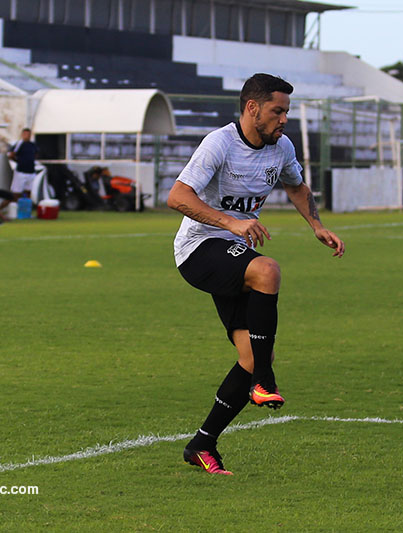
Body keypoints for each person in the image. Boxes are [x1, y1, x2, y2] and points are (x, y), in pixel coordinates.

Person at [167, 73, 345, 475]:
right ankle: (264, 381)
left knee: (251, 354)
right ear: (252, 108)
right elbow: (177, 196)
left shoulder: (281, 147)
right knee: (267, 269)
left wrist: (317, 226)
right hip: (198, 247)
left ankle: (202, 443)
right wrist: (231, 223)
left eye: (286, 111)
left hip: (231, 251)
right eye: (277, 111)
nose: (284, 119)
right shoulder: (220, 143)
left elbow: (296, 186)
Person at [1, 127, 38, 210]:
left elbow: (35, 155)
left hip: (31, 172)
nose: (27, 136)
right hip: (21, 172)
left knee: (28, 193)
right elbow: (11, 155)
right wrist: (18, 161)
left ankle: (25, 211)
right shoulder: (19, 144)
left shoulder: (33, 145)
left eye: (28, 134)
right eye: (25, 134)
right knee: (15, 194)